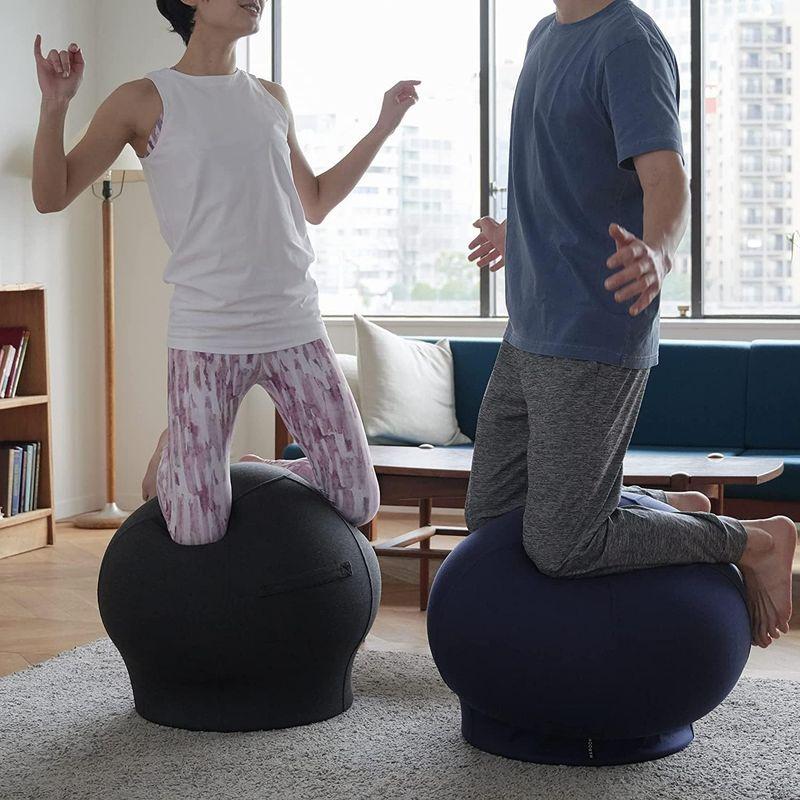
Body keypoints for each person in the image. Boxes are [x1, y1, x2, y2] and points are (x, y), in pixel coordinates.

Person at [465, 0, 795, 649]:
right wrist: (517, 232)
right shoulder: (542, 36)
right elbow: (564, 177)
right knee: (493, 514)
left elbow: (667, 178)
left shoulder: (627, 41)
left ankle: (754, 540)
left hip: (593, 327)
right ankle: (668, 509)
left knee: (564, 545)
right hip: (527, 323)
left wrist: (659, 254)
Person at [33, 0, 421, 545]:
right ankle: (173, 463)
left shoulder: (270, 97)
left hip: (293, 323)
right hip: (206, 333)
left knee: (357, 498)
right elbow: (51, 196)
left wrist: (382, 126)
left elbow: (315, 201)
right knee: (197, 529)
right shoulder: (143, 99)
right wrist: (55, 105)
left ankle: (243, 470)